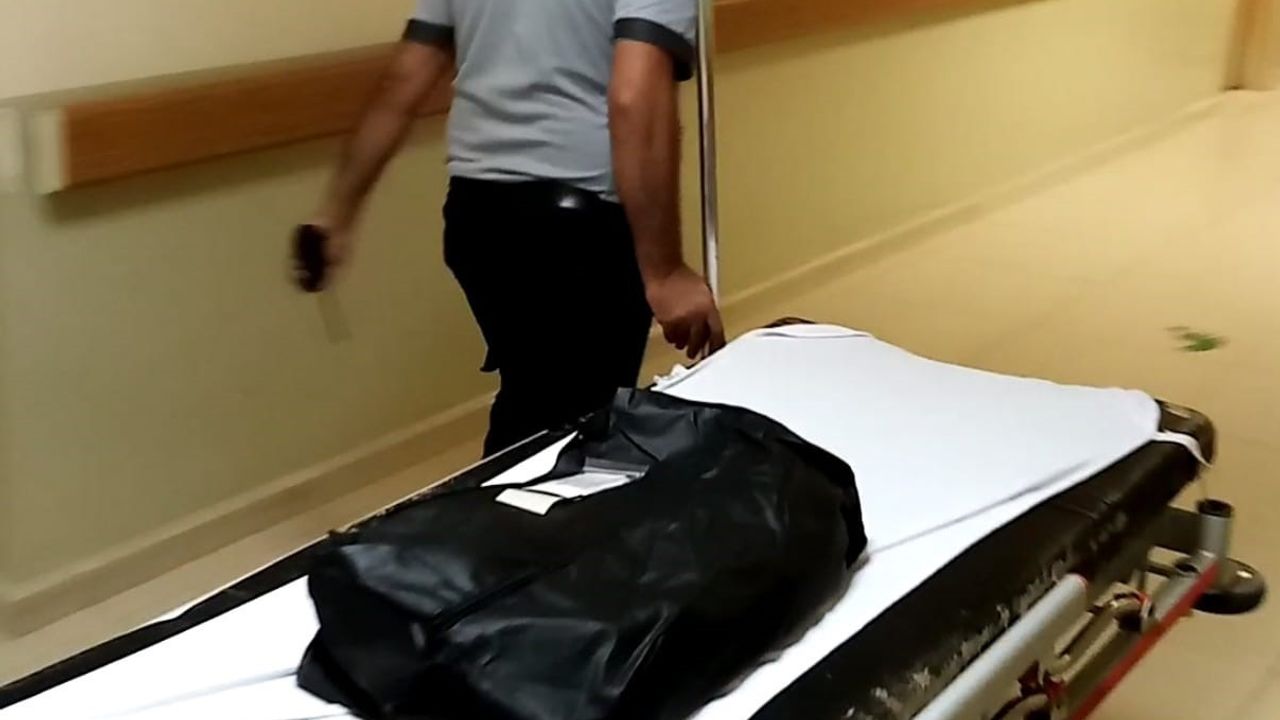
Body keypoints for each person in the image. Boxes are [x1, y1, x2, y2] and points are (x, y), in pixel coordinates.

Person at [304, 0, 725, 457]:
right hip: (579, 224)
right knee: (568, 430)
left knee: (535, 403)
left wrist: (336, 213)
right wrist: (664, 272)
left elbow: (404, 79)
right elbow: (634, 98)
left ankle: (502, 495)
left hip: (478, 214)